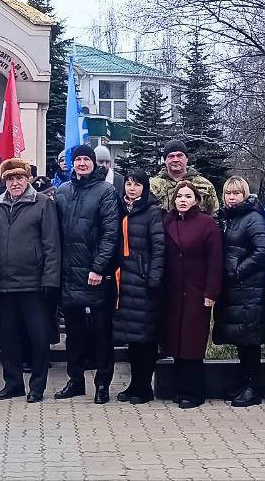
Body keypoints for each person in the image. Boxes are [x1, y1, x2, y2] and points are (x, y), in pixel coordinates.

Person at [0, 158, 62, 403]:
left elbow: (52, 244)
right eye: (10, 178)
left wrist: (50, 280)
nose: (15, 183)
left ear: (28, 178)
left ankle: (37, 386)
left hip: (34, 283)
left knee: (38, 337)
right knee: (7, 338)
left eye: (19, 178)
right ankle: (13, 384)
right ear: (4, 181)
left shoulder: (42, 203)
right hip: (5, 283)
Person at [54, 144, 119, 404]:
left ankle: (102, 384)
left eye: (86, 159)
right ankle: (75, 380)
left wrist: (98, 268)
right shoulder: (62, 191)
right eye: (77, 159)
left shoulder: (106, 191)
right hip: (69, 275)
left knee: (102, 333)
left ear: (94, 163)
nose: (82, 163)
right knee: (74, 334)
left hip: (95, 276)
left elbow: (111, 234)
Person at [161, 181, 223, 409]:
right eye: (179, 196)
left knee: (192, 343)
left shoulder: (207, 225)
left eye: (187, 196)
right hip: (173, 293)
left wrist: (211, 292)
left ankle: (194, 392)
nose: (183, 200)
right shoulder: (168, 222)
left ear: (196, 200)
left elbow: (215, 261)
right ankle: (179, 389)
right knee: (175, 342)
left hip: (198, 293)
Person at [212, 176, 265, 408]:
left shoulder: (252, 218)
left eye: (237, 193)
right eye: (228, 193)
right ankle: (244, 383)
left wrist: (237, 271)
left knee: (249, 341)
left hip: (248, 289)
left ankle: (252, 388)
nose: (232, 197)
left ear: (245, 194)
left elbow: (262, 250)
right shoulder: (226, 218)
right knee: (240, 340)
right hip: (232, 291)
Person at [111, 169, 166, 405]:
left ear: (145, 188)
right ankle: (135, 384)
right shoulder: (121, 209)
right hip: (124, 281)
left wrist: (153, 277)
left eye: (137, 185)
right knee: (132, 339)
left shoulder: (152, 212)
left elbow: (159, 248)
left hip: (143, 282)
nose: (132, 189)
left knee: (146, 339)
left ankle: (145, 387)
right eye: (129, 184)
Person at [150, 140, 219, 215]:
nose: (175, 160)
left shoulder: (205, 185)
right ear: (165, 160)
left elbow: (214, 214)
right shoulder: (152, 185)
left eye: (179, 156)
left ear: (186, 159)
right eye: (171, 156)